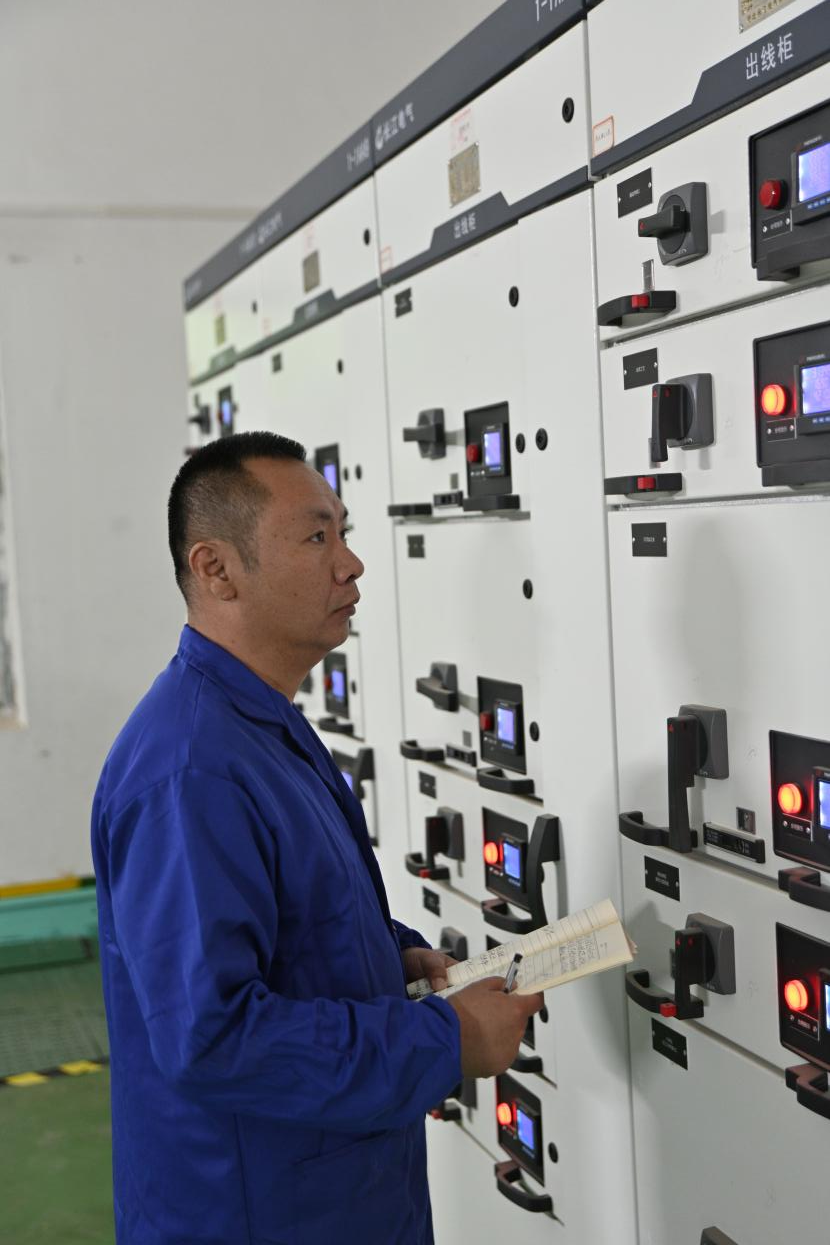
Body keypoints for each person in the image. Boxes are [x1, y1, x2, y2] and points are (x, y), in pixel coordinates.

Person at [91, 431, 542, 1245]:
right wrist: (448, 1040)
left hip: (339, 1198)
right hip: (249, 1215)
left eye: (344, 532)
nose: (351, 564)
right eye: (315, 537)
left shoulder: (262, 727)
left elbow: (297, 917)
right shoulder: (190, 771)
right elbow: (214, 1036)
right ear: (216, 568)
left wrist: (394, 956)